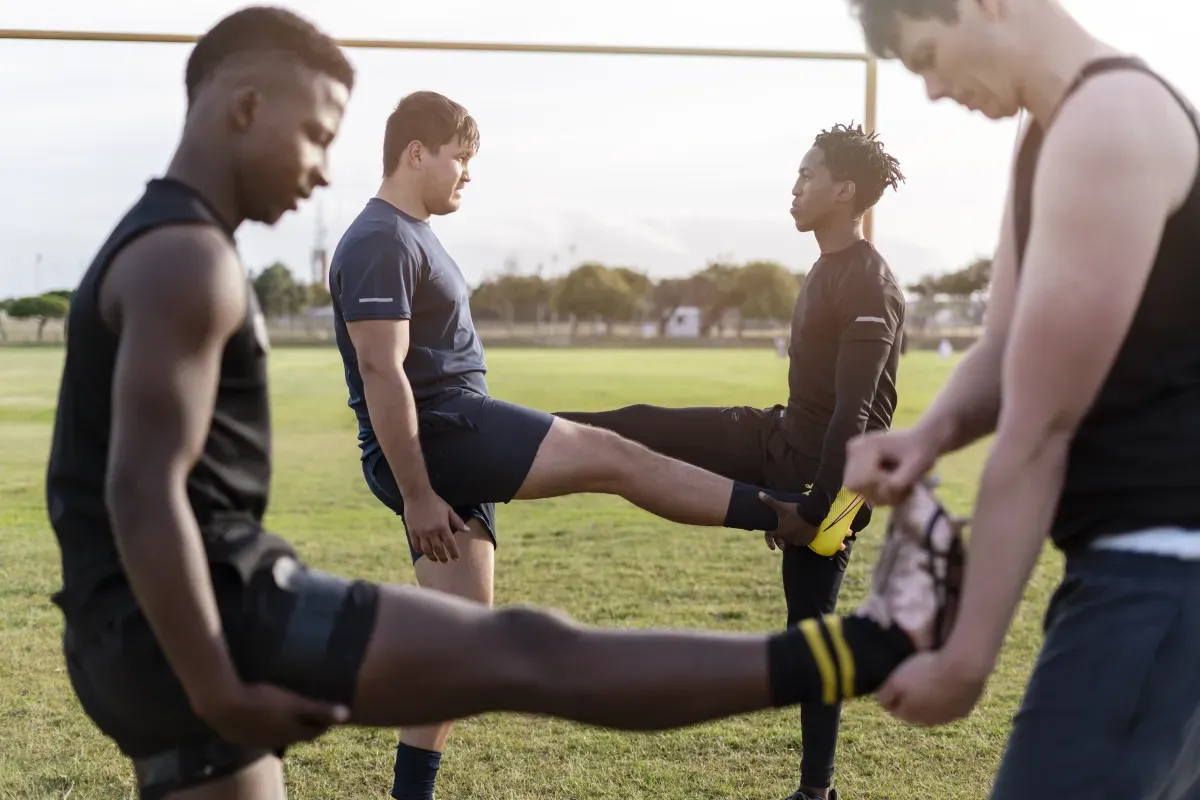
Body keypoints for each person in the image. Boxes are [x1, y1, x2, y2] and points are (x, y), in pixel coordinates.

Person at [43, 7, 960, 799]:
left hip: (153, 633)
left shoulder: (163, 243)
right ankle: (861, 639)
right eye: (317, 135)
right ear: (245, 108)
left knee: (472, 645)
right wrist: (217, 680)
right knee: (535, 641)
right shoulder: (191, 259)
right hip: (215, 621)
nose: (323, 169)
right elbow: (142, 495)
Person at [326, 91, 840, 799]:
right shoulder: (380, 238)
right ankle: (782, 513)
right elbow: (382, 370)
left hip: (447, 442)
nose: (467, 174)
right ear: (416, 153)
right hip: (442, 436)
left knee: (463, 649)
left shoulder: (409, 232)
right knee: (614, 454)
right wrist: (417, 492)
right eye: (460, 159)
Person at [841, 0, 1200, 797]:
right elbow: (1004, 349)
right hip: (1147, 572)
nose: (932, 90)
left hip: (1163, 576)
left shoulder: (1110, 122)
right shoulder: (1055, 128)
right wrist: (930, 434)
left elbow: (1040, 430)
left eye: (930, 54)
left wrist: (965, 663)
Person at [558, 122, 906, 800]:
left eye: (808, 176)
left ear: (846, 190)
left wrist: (811, 510)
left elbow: (857, 415)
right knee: (639, 427)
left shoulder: (867, 281)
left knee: (810, 639)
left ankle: (816, 791)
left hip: (817, 480)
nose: (796, 187)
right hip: (781, 442)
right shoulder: (827, 266)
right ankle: (501, 429)